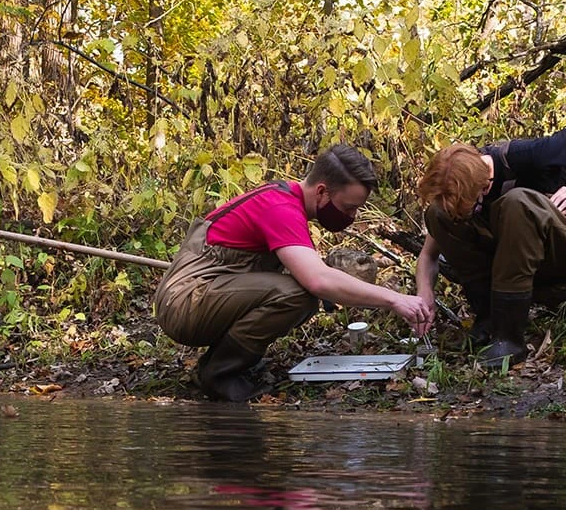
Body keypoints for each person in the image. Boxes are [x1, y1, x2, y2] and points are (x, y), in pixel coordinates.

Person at [155, 144, 434, 401]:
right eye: (349, 207)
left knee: (299, 290)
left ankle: (226, 362)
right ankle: (219, 374)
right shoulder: (280, 208)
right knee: (297, 294)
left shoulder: (285, 200)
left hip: (202, 294)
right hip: (184, 303)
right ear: (322, 191)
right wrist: (395, 300)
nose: (352, 217)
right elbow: (318, 280)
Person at [413, 114, 566, 368]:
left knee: (517, 203)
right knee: (437, 215)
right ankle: (489, 319)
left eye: (466, 209)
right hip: (522, 259)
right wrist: (425, 293)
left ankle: (509, 338)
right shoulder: (458, 188)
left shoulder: (531, 155)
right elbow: (428, 255)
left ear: (485, 187)